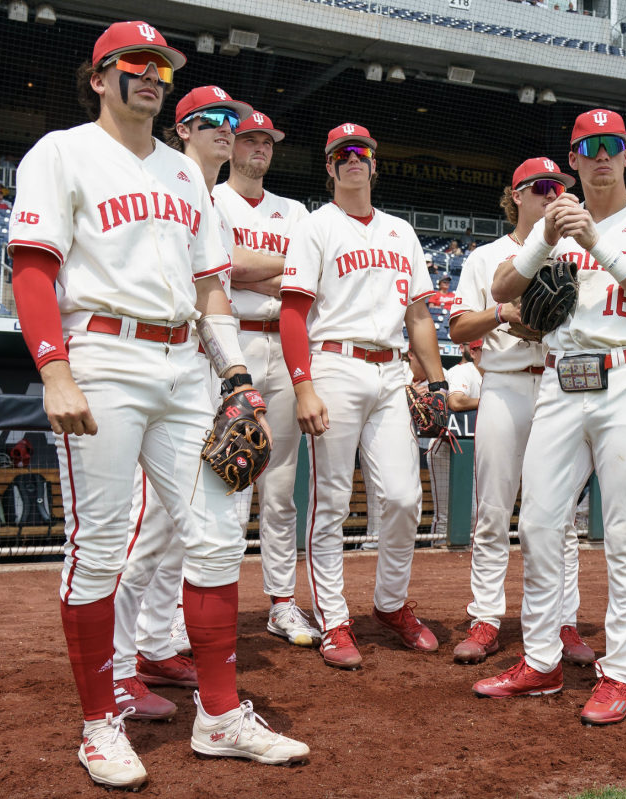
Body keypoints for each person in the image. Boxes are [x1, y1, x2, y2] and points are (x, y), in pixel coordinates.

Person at [8, 23, 309, 789]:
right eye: (135, 64)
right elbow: (35, 271)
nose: (152, 75)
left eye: (163, 67)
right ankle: (98, 725)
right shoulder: (61, 151)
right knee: (101, 544)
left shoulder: (184, 175)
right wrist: (55, 369)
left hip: (185, 365)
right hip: (102, 354)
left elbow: (212, 290)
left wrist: (237, 375)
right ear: (100, 76)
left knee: (212, 537)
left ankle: (219, 716)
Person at [476, 109, 626, 726]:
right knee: (540, 522)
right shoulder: (553, 222)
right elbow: (501, 287)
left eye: (612, 146)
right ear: (572, 159)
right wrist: (546, 235)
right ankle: (541, 660)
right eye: (588, 147)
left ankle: (619, 672)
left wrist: (595, 243)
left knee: (622, 531)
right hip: (563, 375)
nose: (601, 156)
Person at [107, 85, 253, 724]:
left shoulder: (206, 198)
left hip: (196, 376)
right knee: (138, 535)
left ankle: (157, 644)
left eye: (234, 121)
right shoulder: (159, 183)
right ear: (183, 129)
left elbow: (215, 293)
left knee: (178, 531)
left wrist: (231, 379)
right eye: (213, 120)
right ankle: (115, 672)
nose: (229, 129)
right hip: (150, 372)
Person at [279, 122, 448, 670]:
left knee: (403, 499)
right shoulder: (315, 226)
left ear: (376, 165)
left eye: (362, 153)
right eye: (342, 154)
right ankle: (333, 620)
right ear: (329, 167)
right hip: (334, 364)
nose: (354, 160)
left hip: (392, 370)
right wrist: (303, 385)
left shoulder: (401, 230)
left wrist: (437, 379)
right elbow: (292, 313)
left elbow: (419, 315)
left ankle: (390, 604)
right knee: (330, 502)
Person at [448, 157, 594, 666]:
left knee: (561, 517)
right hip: (507, 384)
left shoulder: (579, 253)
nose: (553, 194)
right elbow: (460, 328)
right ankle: (486, 616)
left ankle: (564, 620)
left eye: (560, 187)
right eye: (541, 187)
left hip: (562, 385)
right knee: (493, 509)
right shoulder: (487, 257)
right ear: (516, 196)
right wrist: (506, 312)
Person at [211, 110, 320, 648]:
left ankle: (282, 603)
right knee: (226, 480)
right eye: (249, 138)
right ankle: (215, 604)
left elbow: (308, 276)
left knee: (280, 488)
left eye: (267, 141)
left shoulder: (296, 209)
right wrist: (278, 269)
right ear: (231, 145)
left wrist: (253, 268)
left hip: (285, 340)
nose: (259, 147)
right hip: (231, 343)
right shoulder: (210, 199)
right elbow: (217, 263)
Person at [425, 343, 481, 545]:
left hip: (471, 450)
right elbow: (455, 402)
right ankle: (438, 562)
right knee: (445, 516)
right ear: (473, 352)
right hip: (445, 449)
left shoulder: (494, 375)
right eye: (485, 349)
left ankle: (460, 563)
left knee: (474, 513)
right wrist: (487, 400)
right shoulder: (463, 371)